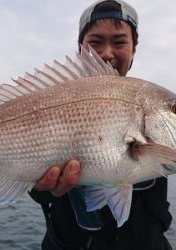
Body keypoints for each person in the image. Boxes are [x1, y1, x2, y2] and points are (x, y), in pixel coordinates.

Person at [29, 1, 173, 249]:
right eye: (96, 42)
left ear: (133, 48)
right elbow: (27, 176)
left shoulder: (147, 98)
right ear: (80, 48)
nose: (107, 52)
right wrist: (43, 187)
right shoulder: (52, 95)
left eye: (119, 42)